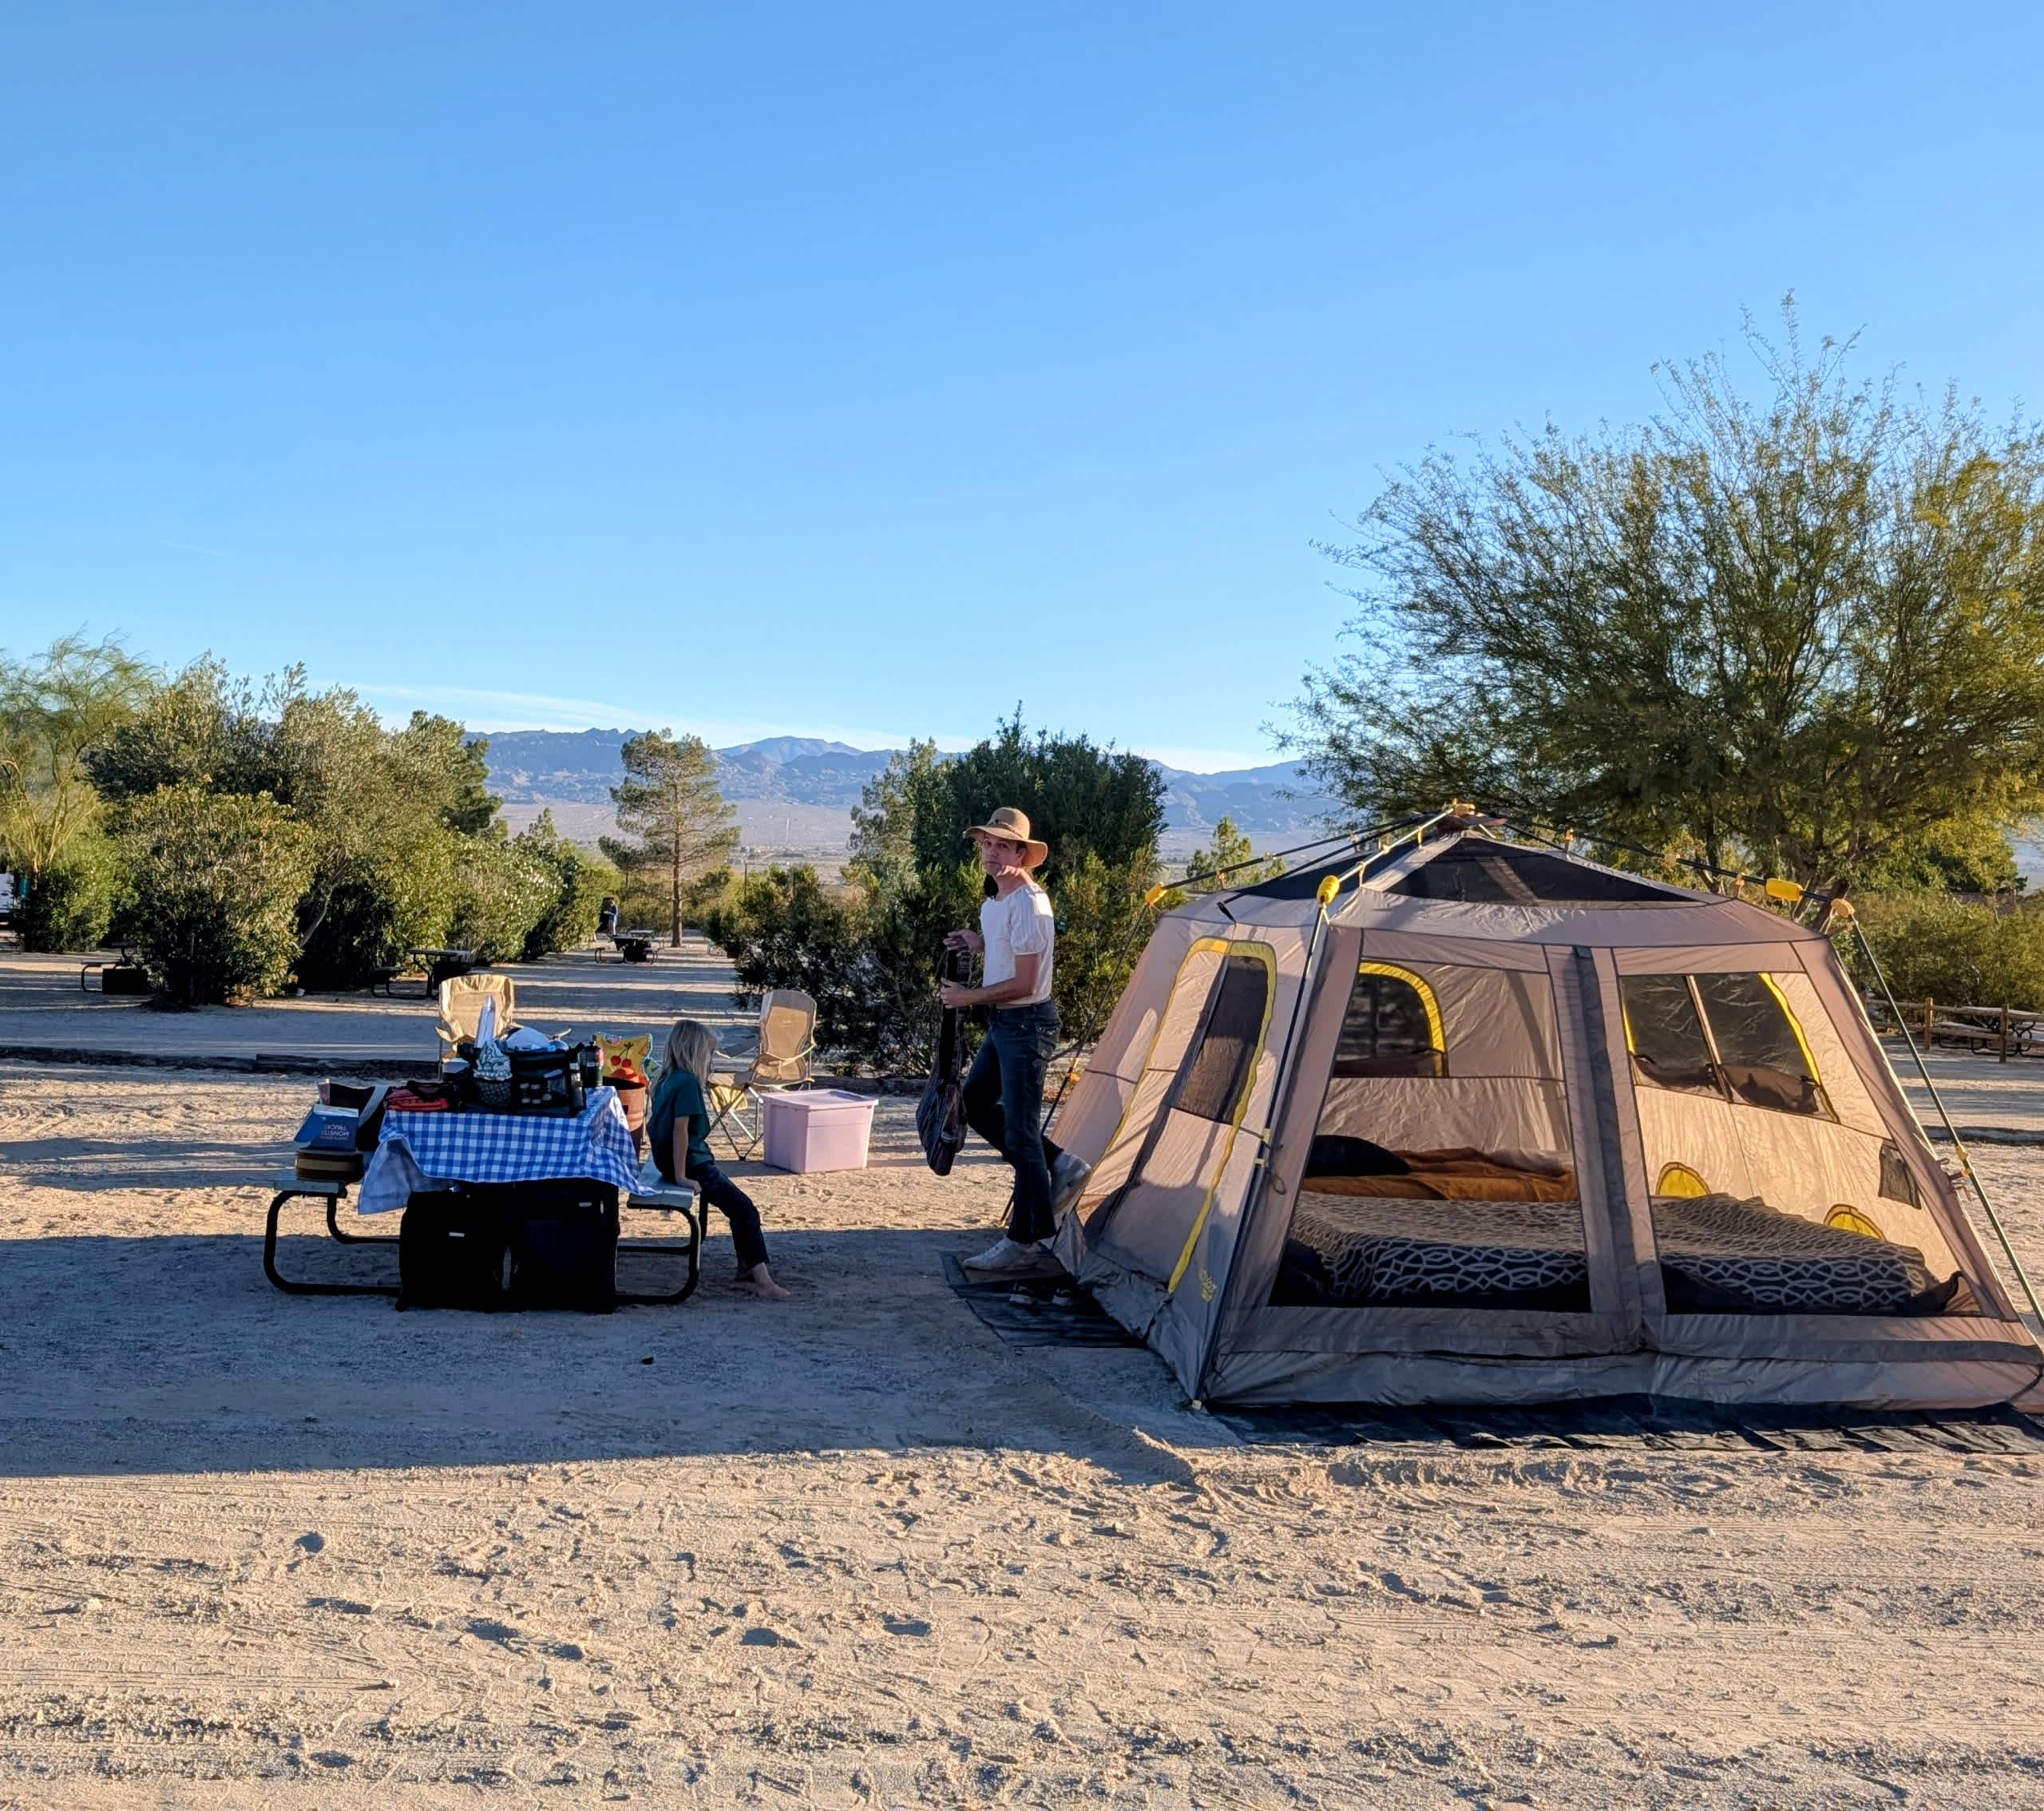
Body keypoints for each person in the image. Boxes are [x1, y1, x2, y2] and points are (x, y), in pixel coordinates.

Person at [940, 806, 1091, 1271]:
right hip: (1006, 1024)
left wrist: (968, 997)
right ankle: (1061, 1166)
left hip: (1026, 1023)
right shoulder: (997, 901)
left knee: (1021, 1134)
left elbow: (1026, 983)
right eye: (987, 843)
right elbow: (1011, 949)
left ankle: (1023, 1238)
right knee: (976, 1103)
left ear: (1023, 854)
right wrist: (979, 942)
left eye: (1003, 845)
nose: (991, 852)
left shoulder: (1030, 903)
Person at [647, 1019, 791, 1299]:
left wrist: (668, 1165)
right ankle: (763, 1281)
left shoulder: (665, 1079)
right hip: (693, 1164)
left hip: (675, 1161)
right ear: (695, 1051)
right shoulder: (687, 1082)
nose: (712, 1060)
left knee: (739, 1208)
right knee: (744, 1210)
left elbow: (655, 1126)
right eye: (710, 1053)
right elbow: (680, 1131)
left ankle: (747, 1271)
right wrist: (681, 1176)